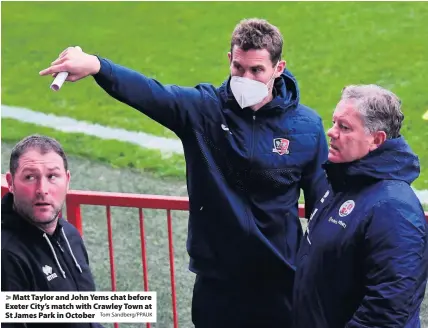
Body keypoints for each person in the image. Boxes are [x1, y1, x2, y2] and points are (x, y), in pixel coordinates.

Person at [40, 18, 329, 327]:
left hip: (280, 282)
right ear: (229, 60)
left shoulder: (307, 128)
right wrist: (98, 65)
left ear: (278, 68)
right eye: (239, 68)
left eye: (256, 70)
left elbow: (321, 207)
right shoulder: (203, 110)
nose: (245, 77)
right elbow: (150, 93)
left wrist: (324, 277)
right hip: (218, 284)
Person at [292, 85, 428, 328]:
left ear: (376, 139)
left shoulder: (394, 208)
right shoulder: (343, 180)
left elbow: (386, 312)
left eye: (344, 127)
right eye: (334, 122)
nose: (331, 132)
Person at [1, 135, 103, 328]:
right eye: (30, 177)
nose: (42, 189)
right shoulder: (6, 255)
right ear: (11, 182)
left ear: (67, 180)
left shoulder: (70, 234)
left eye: (52, 176)